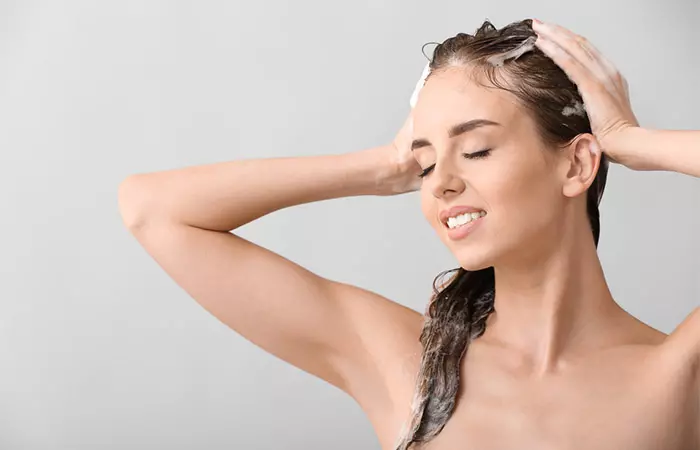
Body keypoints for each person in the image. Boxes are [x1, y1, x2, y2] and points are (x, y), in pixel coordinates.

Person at [117, 18, 700, 450]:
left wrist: (630, 139)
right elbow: (153, 209)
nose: (440, 183)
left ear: (575, 165)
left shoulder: (676, 373)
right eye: (425, 165)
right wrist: (379, 167)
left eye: (475, 149)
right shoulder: (406, 363)